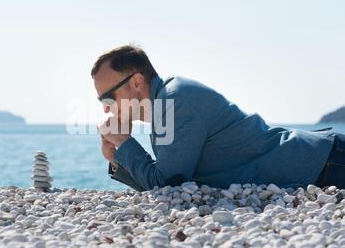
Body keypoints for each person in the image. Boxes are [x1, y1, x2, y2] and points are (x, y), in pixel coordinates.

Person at [92, 44, 343, 191]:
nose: (106, 109)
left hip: (325, 164)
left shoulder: (175, 101)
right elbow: (169, 183)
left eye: (108, 98)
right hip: (321, 162)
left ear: (136, 82)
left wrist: (125, 143)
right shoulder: (165, 105)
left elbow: (168, 186)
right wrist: (116, 157)